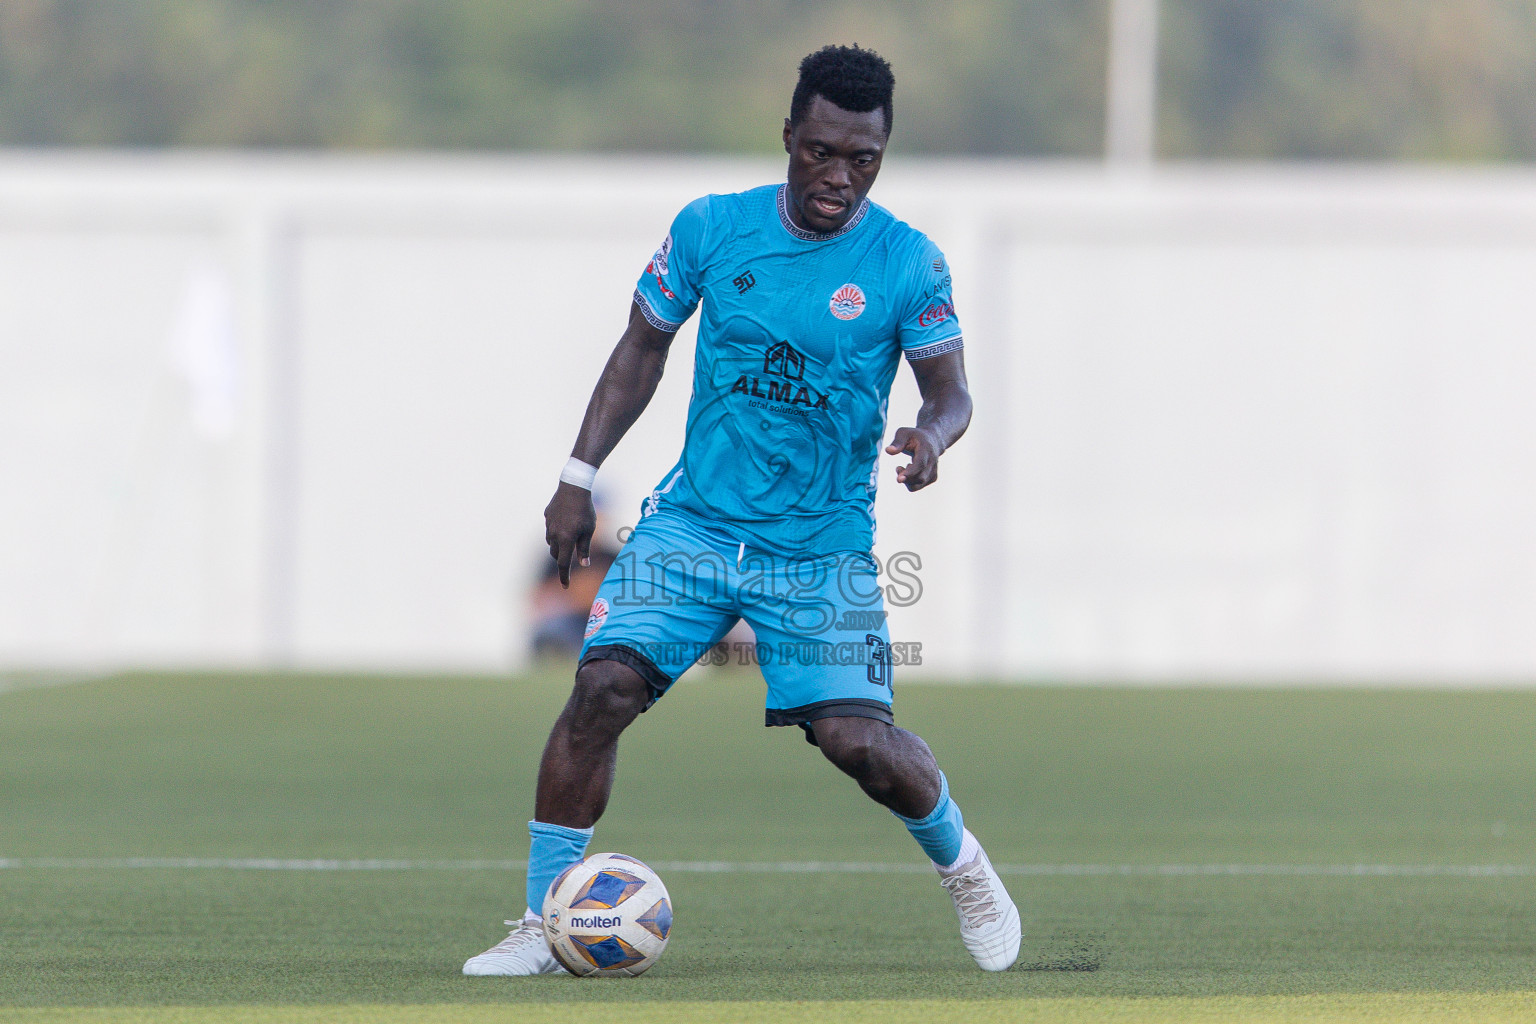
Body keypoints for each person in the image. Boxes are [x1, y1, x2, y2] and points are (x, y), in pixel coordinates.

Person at [464, 44, 1020, 976]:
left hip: (819, 547)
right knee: (600, 691)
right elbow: (641, 346)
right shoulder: (712, 229)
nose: (840, 177)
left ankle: (964, 866)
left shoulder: (909, 264)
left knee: (858, 744)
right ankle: (540, 923)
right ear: (790, 136)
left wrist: (933, 436)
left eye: (864, 161)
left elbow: (953, 393)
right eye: (822, 153)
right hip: (695, 525)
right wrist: (575, 473)